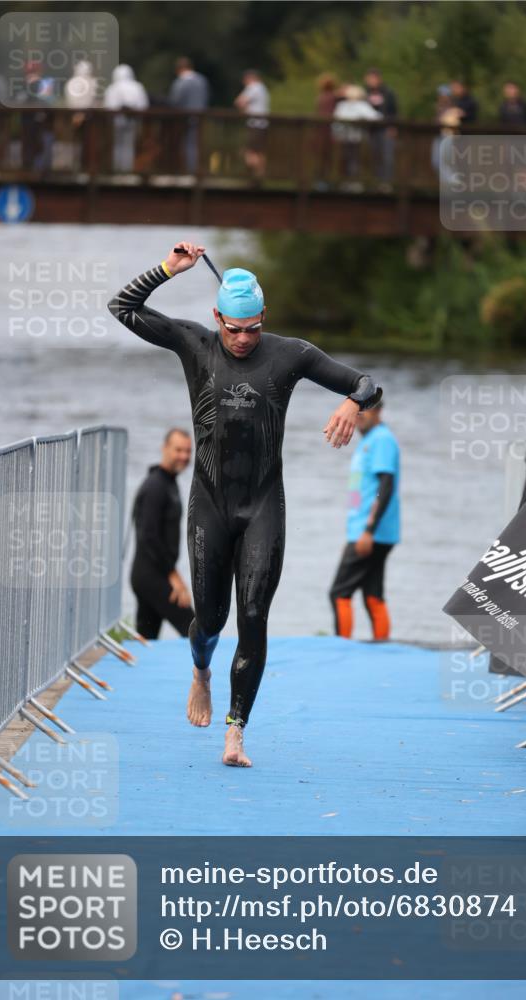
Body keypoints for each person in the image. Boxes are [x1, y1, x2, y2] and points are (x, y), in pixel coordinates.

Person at [108, 242, 382, 766]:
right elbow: (123, 307)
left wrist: (352, 402)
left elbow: (367, 384)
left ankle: (236, 731)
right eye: (233, 329)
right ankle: (201, 672)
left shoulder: (290, 355)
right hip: (210, 505)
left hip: (262, 507)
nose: (242, 339)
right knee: (210, 620)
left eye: (252, 329)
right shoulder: (195, 344)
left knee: (253, 615)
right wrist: (169, 269)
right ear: (217, 319)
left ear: (264, 319)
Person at [330, 400, 400, 641]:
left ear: (378, 410)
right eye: (356, 410)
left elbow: (385, 487)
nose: (359, 415)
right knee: (372, 593)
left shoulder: (381, 440)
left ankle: (341, 648)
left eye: (365, 410)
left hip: (371, 532)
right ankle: (382, 645)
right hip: (364, 531)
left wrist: (368, 530)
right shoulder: (369, 441)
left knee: (339, 593)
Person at [130, 429, 194, 640]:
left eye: (188, 451)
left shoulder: (168, 482)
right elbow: (148, 535)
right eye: (178, 450)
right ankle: (209, 664)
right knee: (194, 629)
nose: (184, 456)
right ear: (164, 448)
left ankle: (138, 661)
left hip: (151, 573)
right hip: (152, 575)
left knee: (147, 638)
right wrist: (173, 575)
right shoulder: (156, 486)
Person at [332, 84, 381, 183]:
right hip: (357, 138)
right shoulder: (360, 105)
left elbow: (335, 124)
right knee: (354, 160)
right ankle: (353, 181)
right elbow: (377, 117)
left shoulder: (342, 105)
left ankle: (348, 181)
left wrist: (337, 133)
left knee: (348, 159)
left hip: (345, 138)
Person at [104, 64, 149, 172]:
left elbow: (108, 106)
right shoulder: (137, 87)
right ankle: (126, 169)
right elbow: (143, 105)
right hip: (132, 121)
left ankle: (118, 168)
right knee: (129, 145)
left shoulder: (112, 88)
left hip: (117, 121)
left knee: (118, 145)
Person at [168, 57, 209, 174]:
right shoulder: (202, 80)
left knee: (186, 145)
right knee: (196, 144)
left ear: (179, 69)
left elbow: (175, 101)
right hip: (200, 116)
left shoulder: (181, 82)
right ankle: (196, 169)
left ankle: (188, 170)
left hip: (185, 118)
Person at [363, 68, 398, 185]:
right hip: (371, 130)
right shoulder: (365, 93)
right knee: (374, 156)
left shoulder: (388, 92)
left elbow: (394, 111)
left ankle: (386, 183)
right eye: (368, 79)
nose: (370, 81)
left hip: (385, 129)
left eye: (372, 78)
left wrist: (393, 127)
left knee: (387, 157)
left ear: (378, 79)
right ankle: (375, 182)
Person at [234, 69, 270, 182]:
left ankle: (255, 177)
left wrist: (243, 112)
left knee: (250, 152)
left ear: (249, 78)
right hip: (263, 124)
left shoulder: (254, 87)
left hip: (254, 124)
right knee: (259, 152)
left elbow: (239, 102)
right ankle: (260, 177)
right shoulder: (263, 88)